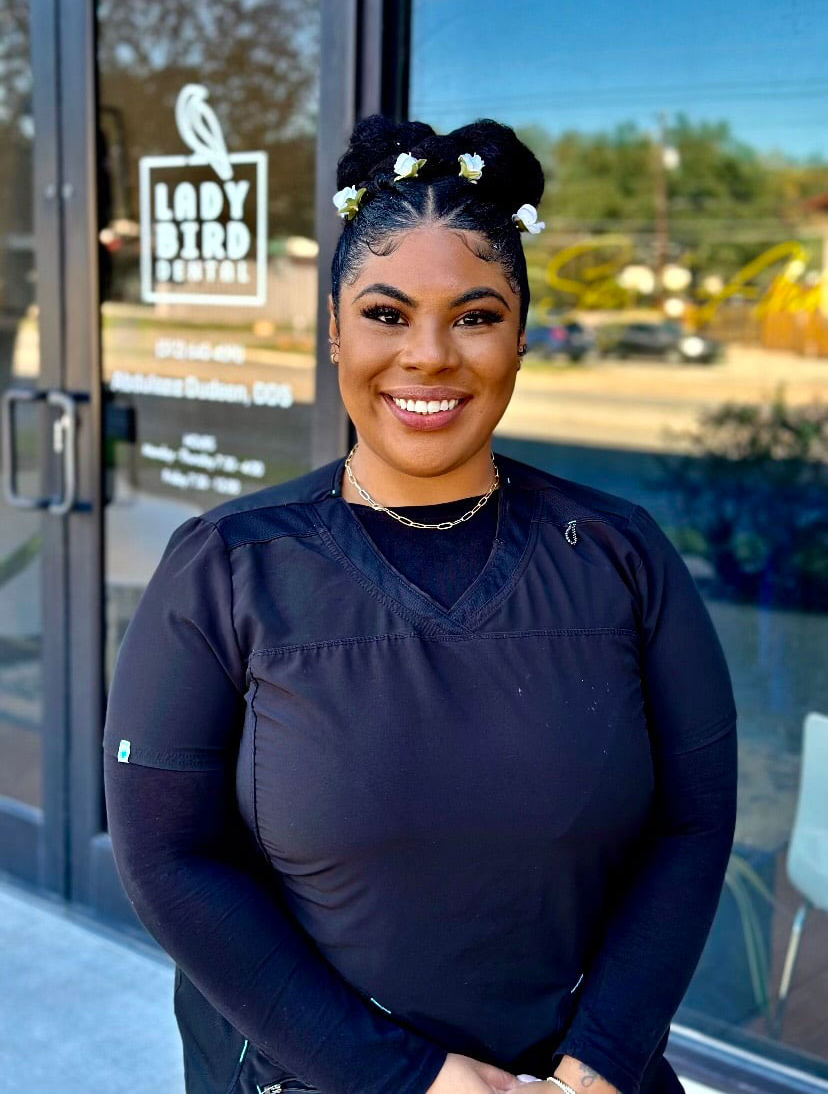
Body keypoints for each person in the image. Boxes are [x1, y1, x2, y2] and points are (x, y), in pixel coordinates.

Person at [103, 115, 738, 1094]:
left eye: (476, 315)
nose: (430, 355)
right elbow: (169, 858)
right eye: (387, 313)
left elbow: (692, 827)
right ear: (333, 329)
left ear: (521, 334)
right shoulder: (225, 567)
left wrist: (599, 1062)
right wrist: (412, 1077)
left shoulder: (622, 555)